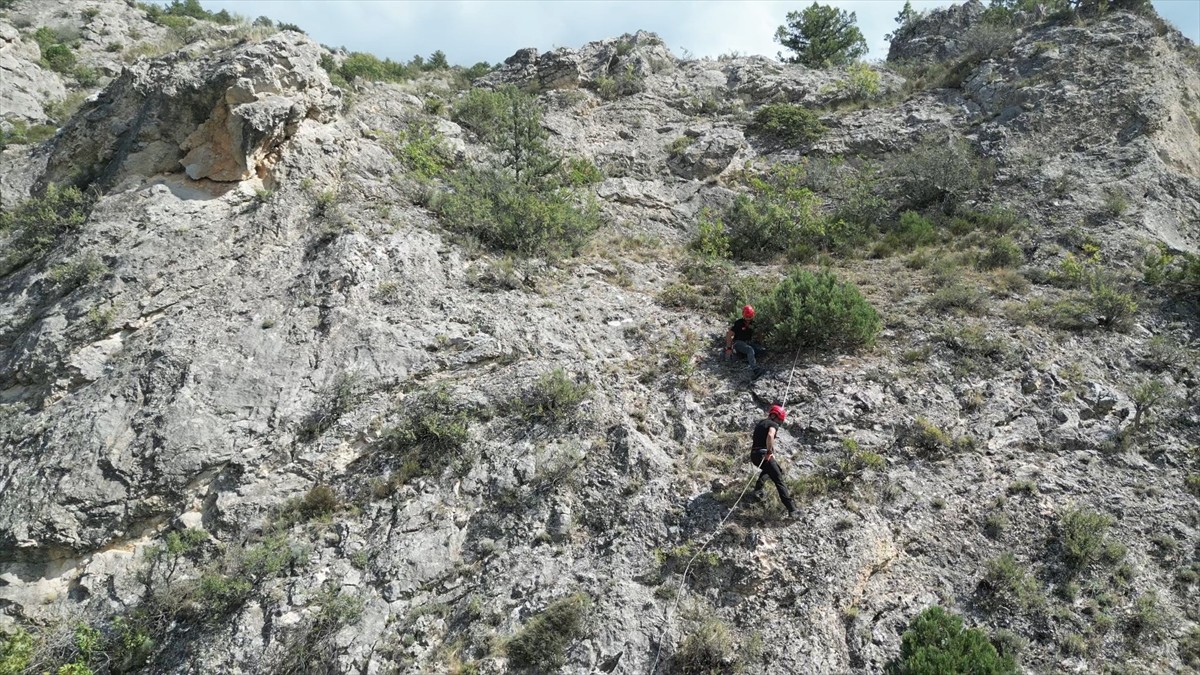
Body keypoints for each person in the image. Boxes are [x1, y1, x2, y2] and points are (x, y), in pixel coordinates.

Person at [749, 404, 796, 518]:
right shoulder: (773, 424)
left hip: (754, 455)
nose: (779, 423)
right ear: (775, 416)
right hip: (763, 454)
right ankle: (793, 510)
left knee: (773, 470)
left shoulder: (760, 424)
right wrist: (769, 452)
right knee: (779, 480)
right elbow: (770, 436)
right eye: (779, 420)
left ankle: (758, 489)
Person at [725, 305, 765, 375]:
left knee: (762, 350)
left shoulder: (754, 323)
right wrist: (729, 348)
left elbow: (759, 333)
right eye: (747, 317)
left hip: (748, 343)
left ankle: (746, 358)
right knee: (750, 350)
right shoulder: (739, 323)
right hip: (738, 343)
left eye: (750, 317)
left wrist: (761, 343)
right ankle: (755, 369)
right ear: (743, 315)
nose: (748, 319)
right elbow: (729, 334)